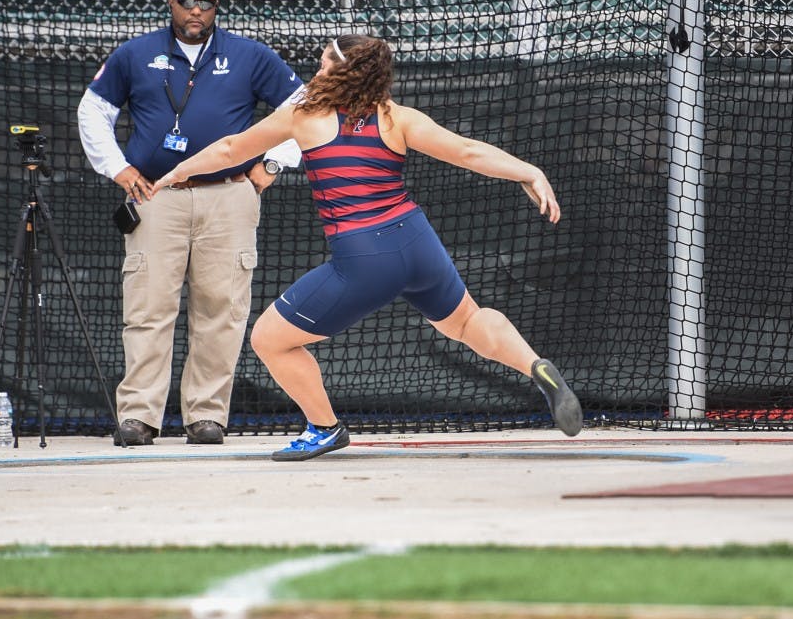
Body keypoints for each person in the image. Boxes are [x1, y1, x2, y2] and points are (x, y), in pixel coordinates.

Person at [151, 34, 583, 460]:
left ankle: (324, 427)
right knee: (467, 322)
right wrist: (529, 171)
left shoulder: (305, 116)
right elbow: (468, 152)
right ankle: (534, 366)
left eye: (323, 64)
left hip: (364, 254)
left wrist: (176, 174)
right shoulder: (397, 118)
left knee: (269, 339)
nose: (316, 72)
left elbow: (230, 148)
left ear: (343, 72)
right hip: (416, 240)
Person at [77, 0, 303, 446]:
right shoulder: (136, 53)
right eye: (187, 1)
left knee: (222, 309)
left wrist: (273, 165)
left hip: (228, 197)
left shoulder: (249, 54)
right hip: (156, 195)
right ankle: (138, 415)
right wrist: (118, 169)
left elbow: (305, 106)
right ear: (171, 2)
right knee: (147, 308)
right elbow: (92, 110)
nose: (196, 10)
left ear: (217, 6)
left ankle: (206, 415)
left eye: (206, 2)